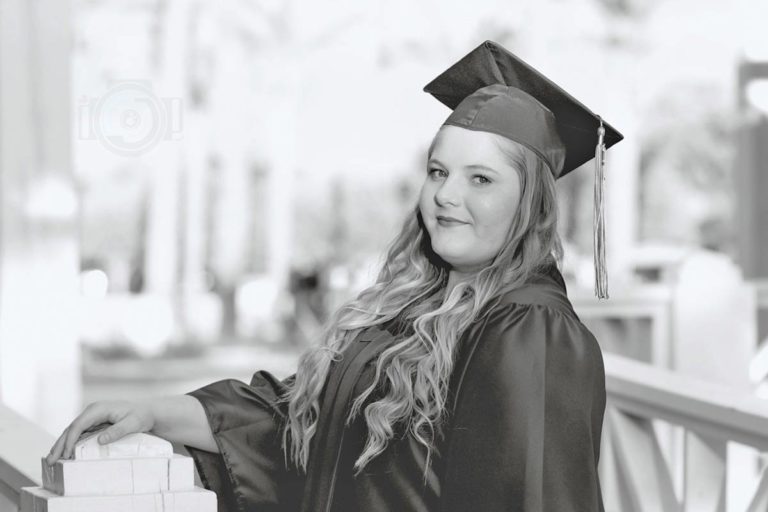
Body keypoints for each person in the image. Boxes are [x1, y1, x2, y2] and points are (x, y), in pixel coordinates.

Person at [46, 40, 623, 511]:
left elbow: (529, 498)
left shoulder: (529, 331)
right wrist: (155, 412)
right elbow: (307, 428)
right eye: (438, 171)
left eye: (481, 180)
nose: (445, 196)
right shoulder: (417, 307)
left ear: (533, 206)